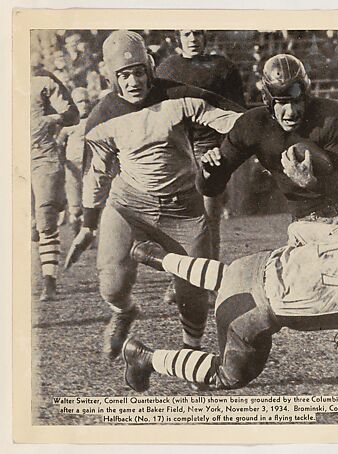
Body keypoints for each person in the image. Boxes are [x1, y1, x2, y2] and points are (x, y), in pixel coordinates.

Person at [123, 222, 338, 413]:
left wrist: (303, 268)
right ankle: (146, 359)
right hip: (252, 314)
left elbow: (299, 228)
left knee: (225, 275)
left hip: (255, 264)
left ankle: (161, 260)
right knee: (228, 376)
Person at [65, 30, 243, 361]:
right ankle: (124, 312)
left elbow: (236, 120)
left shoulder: (179, 95)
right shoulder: (103, 116)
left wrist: (225, 151)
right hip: (129, 204)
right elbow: (98, 173)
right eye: (125, 75)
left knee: (192, 287)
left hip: (182, 205)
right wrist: (88, 224)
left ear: (149, 69)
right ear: (112, 78)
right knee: (112, 283)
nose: (133, 81)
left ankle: (192, 350)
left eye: (138, 72)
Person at [199, 53, 338, 234]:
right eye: (282, 102)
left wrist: (312, 182)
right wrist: (209, 168)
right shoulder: (252, 125)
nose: (290, 112)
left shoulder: (330, 115)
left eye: (296, 101)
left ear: (306, 96)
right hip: (308, 222)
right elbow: (211, 186)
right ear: (268, 101)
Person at [156, 29, 246, 304]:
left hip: (212, 148)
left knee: (209, 218)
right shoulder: (166, 67)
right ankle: (179, 283)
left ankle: (209, 283)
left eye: (197, 32)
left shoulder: (223, 67)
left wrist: (226, 150)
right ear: (177, 37)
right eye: (186, 32)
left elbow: (237, 113)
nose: (192, 37)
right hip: (178, 149)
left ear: (206, 35)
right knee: (178, 219)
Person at [31, 54, 80, 301]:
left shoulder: (43, 81)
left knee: (46, 218)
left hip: (42, 155)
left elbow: (73, 113)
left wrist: (51, 118)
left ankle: (48, 279)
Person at [57, 87, 93, 235]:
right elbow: (59, 143)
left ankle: (88, 232)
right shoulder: (69, 126)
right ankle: (74, 227)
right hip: (72, 167)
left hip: (90, 167)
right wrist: (62, 161)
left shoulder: (94, 120)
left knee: (90, 199)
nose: (84, 104)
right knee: (75, 203)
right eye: (80, 101)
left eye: (87, 101)